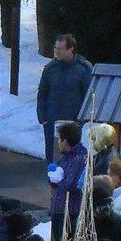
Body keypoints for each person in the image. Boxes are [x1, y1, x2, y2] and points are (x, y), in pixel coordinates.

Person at [36, 33, 92, 164]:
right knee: (53, 157)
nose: (56, 52)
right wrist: (42, 116)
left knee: (72, 158)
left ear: (70, 49)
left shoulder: (83, 68)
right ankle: (53, 183)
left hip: (73, 122)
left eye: (60, 49)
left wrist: (81, 119)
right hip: (52, 121)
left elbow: (88, 96)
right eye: (56, 48)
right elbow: (42, 93)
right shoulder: (50, 68)